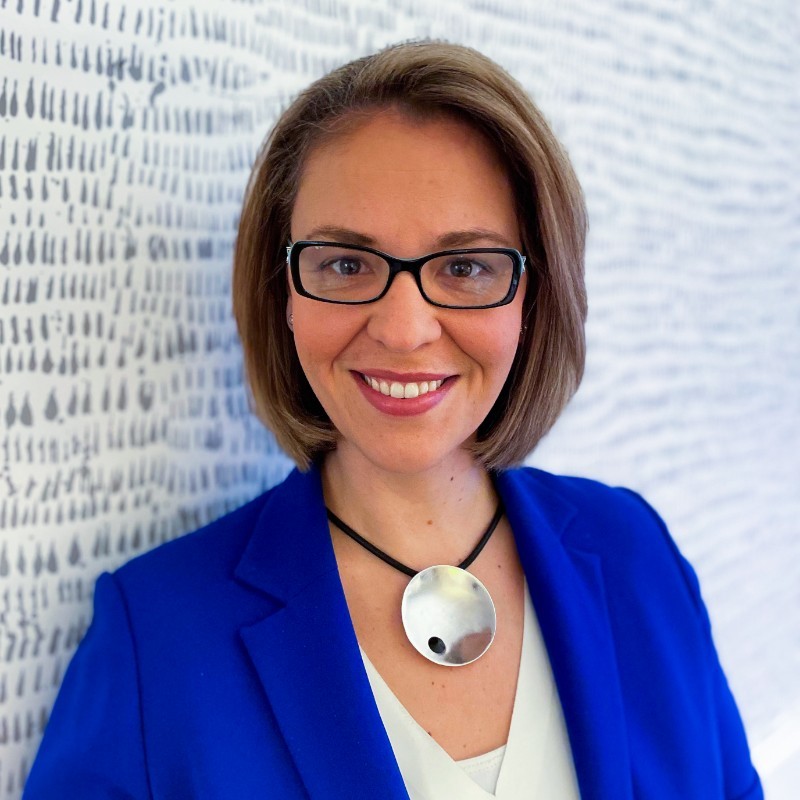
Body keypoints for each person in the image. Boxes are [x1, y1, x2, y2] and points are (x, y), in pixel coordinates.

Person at [25, 41, 762, 799]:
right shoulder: (158, 632)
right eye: (345, 264)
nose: (404, 329)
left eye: (466, 267)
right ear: (283, 292)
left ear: (532, 296)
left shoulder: (636, 549)